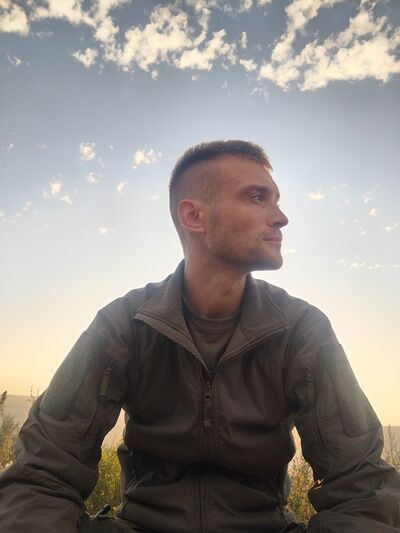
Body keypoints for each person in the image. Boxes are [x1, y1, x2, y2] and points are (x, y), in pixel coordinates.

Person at [0, 140, 399, 533]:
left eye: (276, 200)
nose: (281, 218)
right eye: (257, 197)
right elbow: (41, 473)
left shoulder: (302, 330)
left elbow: (363, 486)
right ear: (194, 216)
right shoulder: (125, 324)